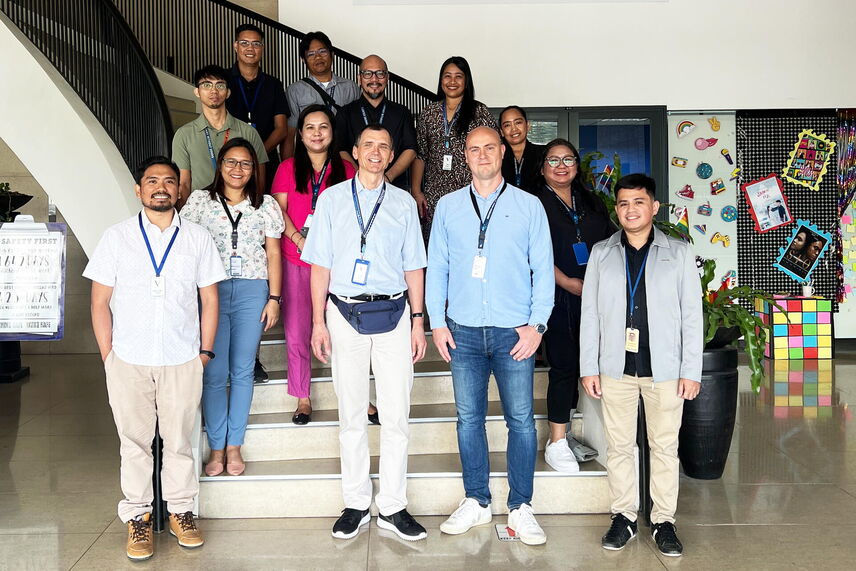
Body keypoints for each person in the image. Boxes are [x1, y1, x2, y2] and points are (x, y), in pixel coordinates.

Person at [83, 156, 226, 560]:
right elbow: (99, 302)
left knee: (180, 441)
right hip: (128, 358)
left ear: (179, 190)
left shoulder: (197, 238)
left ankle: (181, 512)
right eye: (152, 181)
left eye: (168, 181)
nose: (161, 187)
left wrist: (203, 353)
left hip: (182, 358)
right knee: (134, 443)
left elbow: (209, 299)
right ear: (139, 190)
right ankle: (139, 518)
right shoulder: (117, 237)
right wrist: (109, 356)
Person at [426, 127, 554, 546]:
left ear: (503, 152)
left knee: (521, 421)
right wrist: (437, 322)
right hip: (462, 331)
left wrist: (538, 326)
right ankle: (477, 500)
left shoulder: (528, 205)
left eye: (489, 148)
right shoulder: (448, 207)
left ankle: (521, 507)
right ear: (465, 156)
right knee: (469, 421)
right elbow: (438, 267)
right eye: (473, 149)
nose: (481, 155)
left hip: (513, 333)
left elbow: (543, 268)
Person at [301, 124, 428, 541]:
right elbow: (319, 265)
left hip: (393, 313)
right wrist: (318, 321)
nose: (376, 153)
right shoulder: (333, 201)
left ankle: (392, 505)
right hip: (343, 313)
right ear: (355, 152)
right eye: (368, 145)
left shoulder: (404, 204)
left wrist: (417, 319)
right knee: (351, 415)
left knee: (396, 414)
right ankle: (356, 502)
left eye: (384, 147)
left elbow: (414, 266)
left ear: (392, 156)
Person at [579, 173, 702, 557]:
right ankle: (625, 517)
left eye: (638, 202)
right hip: (616, 368)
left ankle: (664, 520)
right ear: (616, 210)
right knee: (618, 447)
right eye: (623, 203)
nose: (630, 210)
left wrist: (691, 370)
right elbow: (590, 315)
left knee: (664, 447)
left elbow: (692, 317)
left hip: (665, 369)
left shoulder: (679, 253)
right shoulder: (602, 252)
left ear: (654, 207)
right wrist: (589, 366)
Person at [180, 138, 284, 477]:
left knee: (241, 370)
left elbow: (272, 253)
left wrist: (274, 298)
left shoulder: (265, 204)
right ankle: (217, 447)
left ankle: (235, 445)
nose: (237, 169)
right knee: (214, 371)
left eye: (245, 163)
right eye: (231, 162)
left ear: (254, 169)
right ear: (220, 165)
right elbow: (184, 247)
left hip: (254, 291)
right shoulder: (199, 202)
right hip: (211, 292)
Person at [271, 104, 359, 424]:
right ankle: (303, 397)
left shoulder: (348, 171)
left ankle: (355, 395)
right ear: (301, 133)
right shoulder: (286, 168)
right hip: (296, 258)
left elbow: (355, 216)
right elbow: (278, 212)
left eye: (323, 127)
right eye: (310, 127)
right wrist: (298, 240)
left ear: (332, 132)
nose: (317, 133)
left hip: (336, 263)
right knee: (297, 330)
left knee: (345, 332)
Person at [535, 139, 614, 473]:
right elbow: (530, 252)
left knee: (595, 363)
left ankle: (577, 431)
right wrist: (567, 282)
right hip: (557, 293)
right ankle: (557, 440)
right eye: (553, 160)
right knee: (565, 365)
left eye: (568, 159)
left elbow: (612, 243)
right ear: (543, 168)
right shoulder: (533, 203)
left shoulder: (592, 200)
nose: (561, 165)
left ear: (577, 166)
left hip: (597, 297)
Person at [412, 56, 497, 241]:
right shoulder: (428, 113)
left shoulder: (479, 112)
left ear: (466, 81)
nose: (452, 81)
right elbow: (421, 155)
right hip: (434, 195)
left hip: (470, 191)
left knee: (468, 242)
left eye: (458, 76)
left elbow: (493, 152)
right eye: (447, 76)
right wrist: (417, 191)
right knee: (436, 245)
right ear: (441, 80)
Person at [172, 65, 268, 207]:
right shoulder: (184, 134)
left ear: (228, 92)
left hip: (241, 211)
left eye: (220, 85)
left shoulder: (248, 132)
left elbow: (259, 179)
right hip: (200, 212)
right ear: (197, 92)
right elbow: (184, 184)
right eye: (207, 85)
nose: (214, 90)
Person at [336, 54, 417, 189]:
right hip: (354, 186)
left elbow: (411, 149)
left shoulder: (402, 112)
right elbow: (340, 149)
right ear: (359, 78)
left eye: (380, 73)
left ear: (387, 78)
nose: (374, 79)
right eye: (367, 74)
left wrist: (387, 177)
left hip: (394, 186)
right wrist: (361, 178)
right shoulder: (345, 113)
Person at [226, 24, 292, 186]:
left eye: (256, 44)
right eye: (244, 43)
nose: (250, 48)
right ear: (235, 46)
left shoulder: (273, 84)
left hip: (267, 160)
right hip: (230, 163)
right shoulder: (223, 80)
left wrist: (257, 153)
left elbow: (281, 128)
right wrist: (241, 156)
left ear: (262, 48)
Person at [284, 30, 358, 159]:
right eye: (311, 54)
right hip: (309, 158)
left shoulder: (350, 87)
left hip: (344, 156)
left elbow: (357, 128)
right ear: (303, 60)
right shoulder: (295, 90)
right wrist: (289, 167)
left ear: (332, 54)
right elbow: (290, 134)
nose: (318, 57)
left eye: (322, 51)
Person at [499, 106, 545, 194]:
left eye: (518, 122)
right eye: (507, 125)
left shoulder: (544, 153)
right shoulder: (494, 156)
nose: (514, 129)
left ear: (528, 126)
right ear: (501, 132)